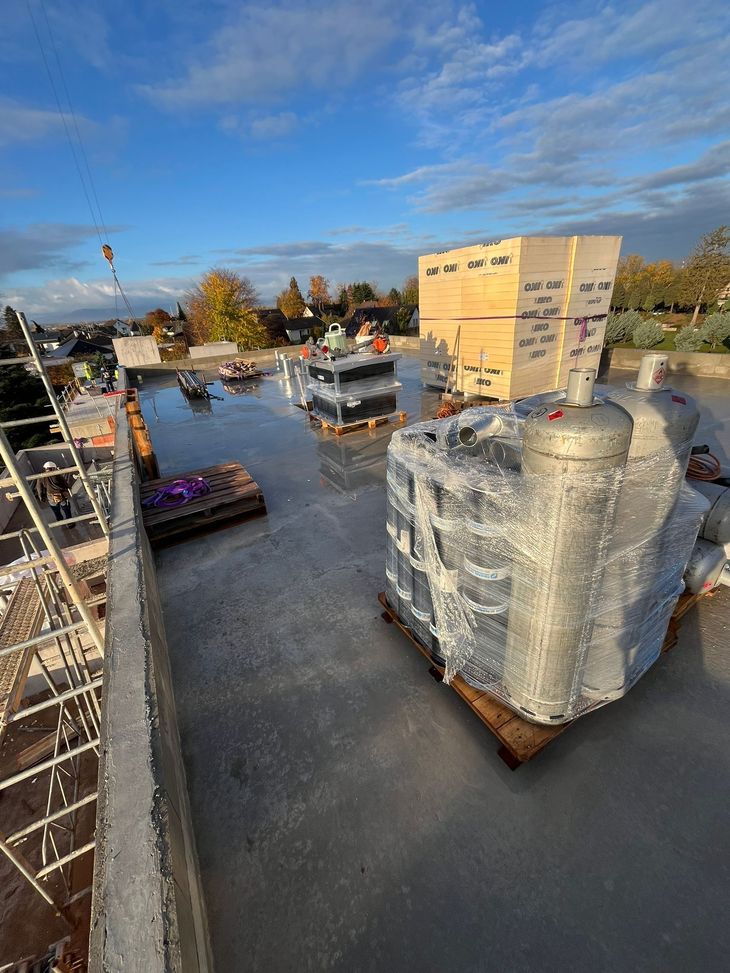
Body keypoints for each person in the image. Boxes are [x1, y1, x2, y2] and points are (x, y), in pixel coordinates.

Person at [34, 461, 74, 527]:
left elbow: (39, 488)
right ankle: (70, 523)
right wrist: (68, 488)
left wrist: (41, 497)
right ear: (53, 468)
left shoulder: (41, 477)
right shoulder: (57, 474)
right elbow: (64, 483)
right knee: (66, 508)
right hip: (61, 495)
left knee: (56, 510)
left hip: (50, 496)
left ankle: (60, 522)